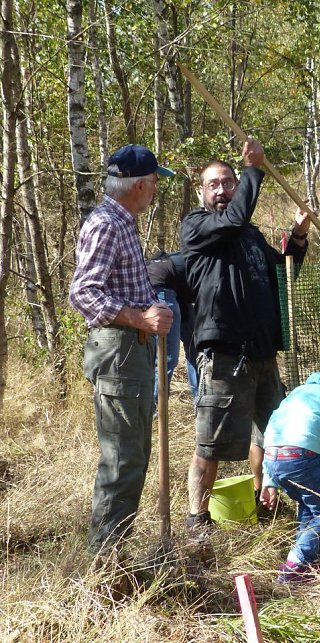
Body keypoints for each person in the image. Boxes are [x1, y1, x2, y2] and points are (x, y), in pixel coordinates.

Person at [180, 137, 310, 535]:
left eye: (229, 182)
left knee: (272, 432)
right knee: (212, 443)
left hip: (262, 353)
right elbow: (232, 220)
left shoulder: (250, 235)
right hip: (224, 355)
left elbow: (281, 273)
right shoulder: (198, 228)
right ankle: (198, 520)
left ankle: (261, 498)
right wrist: (255, 168)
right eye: (213, 184)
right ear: (202, 192)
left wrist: (299, 236)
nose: (222, 190)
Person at [68, 144, 174, 553]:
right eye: (154, 184)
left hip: (130, 350)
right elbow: (83, 294)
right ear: (141, 185)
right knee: (123, 460)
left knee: (133, 456)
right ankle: (104, 565)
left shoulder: (122, 221)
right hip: (119, 350)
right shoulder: (107, 224)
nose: (156, 191)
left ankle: (113, 556)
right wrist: (140, 318)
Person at [259, 354, 320, 583]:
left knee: (309, 505)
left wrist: (269, 479)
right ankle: (293, 567)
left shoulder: (300, 391)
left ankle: (308, 564)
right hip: (303, 457)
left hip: (273, 455)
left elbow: (273, 428)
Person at [147, 251, 198, 401]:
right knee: (168, 356)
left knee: (195, 346)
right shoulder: (210, 264)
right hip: (160, 285)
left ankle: (201, 403)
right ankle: (154, 409)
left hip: (179, 291)